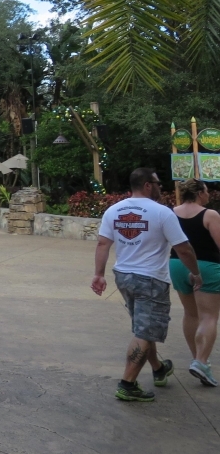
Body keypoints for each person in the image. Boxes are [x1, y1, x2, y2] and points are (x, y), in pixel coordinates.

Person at [92, 167, 202, 401]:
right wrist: (195, 272)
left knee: (143, 325)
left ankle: (159, 368)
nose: (161, 188)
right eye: (158, 183)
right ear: (147, 185)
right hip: (150, 279)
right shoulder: (162, 213)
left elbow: (103, 244)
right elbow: (183, 248)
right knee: (145, 330)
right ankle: (127, 384)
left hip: (123, 276)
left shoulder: (114, 210)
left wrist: (98, 274)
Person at [170, 178, 220, 387]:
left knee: (191, 314)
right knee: (209, 315)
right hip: (206, 266)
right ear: (199, 192)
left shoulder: (171, 213)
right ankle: (201, 361)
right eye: (207, 191)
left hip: (177, 264)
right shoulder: (210, 215)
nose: (208, 195)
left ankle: (198, 359)